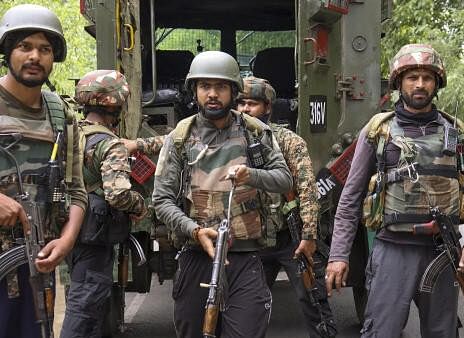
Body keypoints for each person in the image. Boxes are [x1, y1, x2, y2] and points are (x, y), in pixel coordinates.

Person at [325, 43, 464, 338]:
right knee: (381, 332)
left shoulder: (456, 131)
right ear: (399, 82)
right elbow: (349, 199)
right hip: (392, 251)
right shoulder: (378, 130)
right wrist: (338, 255)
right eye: (412, 77)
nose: (420, 84)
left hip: (442, 252)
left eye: (428, 77)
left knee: (442, 332)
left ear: (437, 83)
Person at [152, 51, 293, 338]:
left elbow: (283, 179)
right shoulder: (180, 136)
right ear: (195, 91)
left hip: (244, 256)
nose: (212, 94)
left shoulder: (256, 132)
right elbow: (161, 200)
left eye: (221, 87)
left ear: (233, 91)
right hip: (195, 256)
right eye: (205, 86)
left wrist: (250, 174)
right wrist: (194, 231)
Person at [0, 4, 87, 338]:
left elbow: (76, 190)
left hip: (37, 262)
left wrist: (65, 241)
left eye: (44, 49)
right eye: (25, 46)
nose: (34, 56)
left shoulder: (60, 114)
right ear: (8, 52)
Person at [237, 76, 337, 338]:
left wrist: (308, 237)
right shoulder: (228, 141)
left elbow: (307, 190)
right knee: (246, 312)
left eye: (253, 104)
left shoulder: (289, 141)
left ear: (267, 107)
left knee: (313, 299)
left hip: (288, 239)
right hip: (250, 242)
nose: (245, 110)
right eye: (241, 104)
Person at [60, 70, 146, 338]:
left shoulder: (72, 135)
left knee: (86, 306)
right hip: (94, 240)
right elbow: (118, 194)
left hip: (68, 234)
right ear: (116, 104)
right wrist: (140, 205)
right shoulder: (110, 144)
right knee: (83, 312)